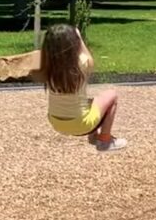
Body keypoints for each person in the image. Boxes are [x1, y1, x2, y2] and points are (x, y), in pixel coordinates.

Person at [39, 23, 127, 151]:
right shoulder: (81, 63)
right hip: (81, 124)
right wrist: (79, 37)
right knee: (111, 95)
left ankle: (93, 137)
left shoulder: (45, 66)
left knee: (90, 102)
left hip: (56, 123)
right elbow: (89, 59)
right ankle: (105, 140)